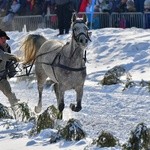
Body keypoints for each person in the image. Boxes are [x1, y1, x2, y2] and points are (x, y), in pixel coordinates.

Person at [0, 29, 19, 107]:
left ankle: (16, 108)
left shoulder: (7, 47)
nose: (4, 40)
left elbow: (9, 61)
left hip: (1, 77)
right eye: (2, 38)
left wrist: (12, 71)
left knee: (9, 93)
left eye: (5, 38)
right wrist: (17, 58)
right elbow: (3, 56)